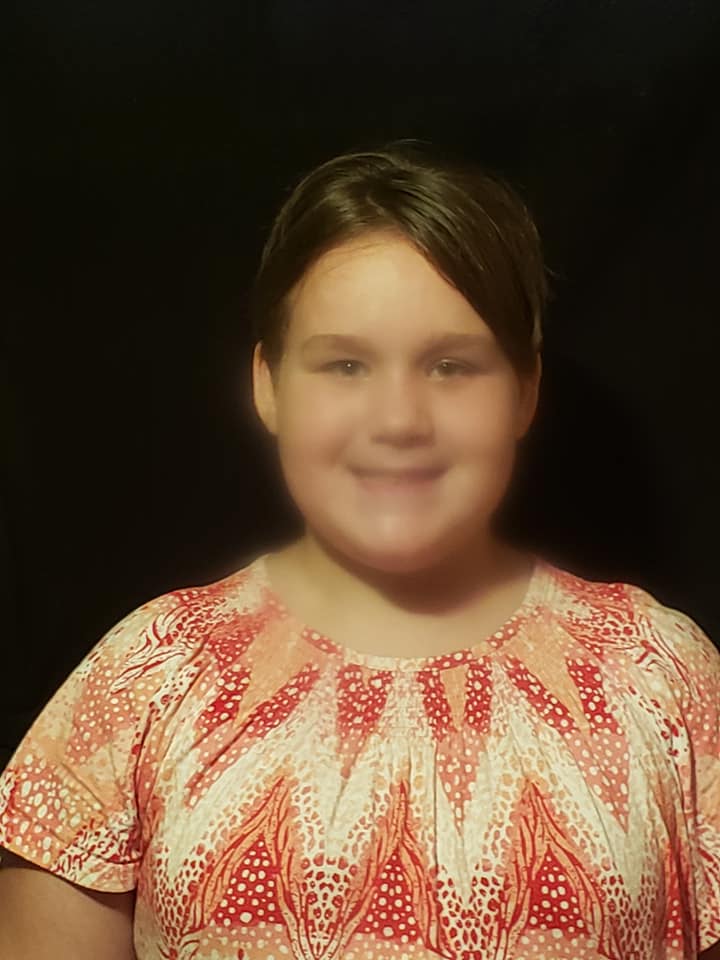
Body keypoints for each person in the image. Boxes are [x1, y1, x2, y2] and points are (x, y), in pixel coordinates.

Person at [0, 139, 718, 960]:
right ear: (269, 384)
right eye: (344, 364)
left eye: (451, 366)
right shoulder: (145, 677)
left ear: (525, 390)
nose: (399, 420)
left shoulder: (661, 675)